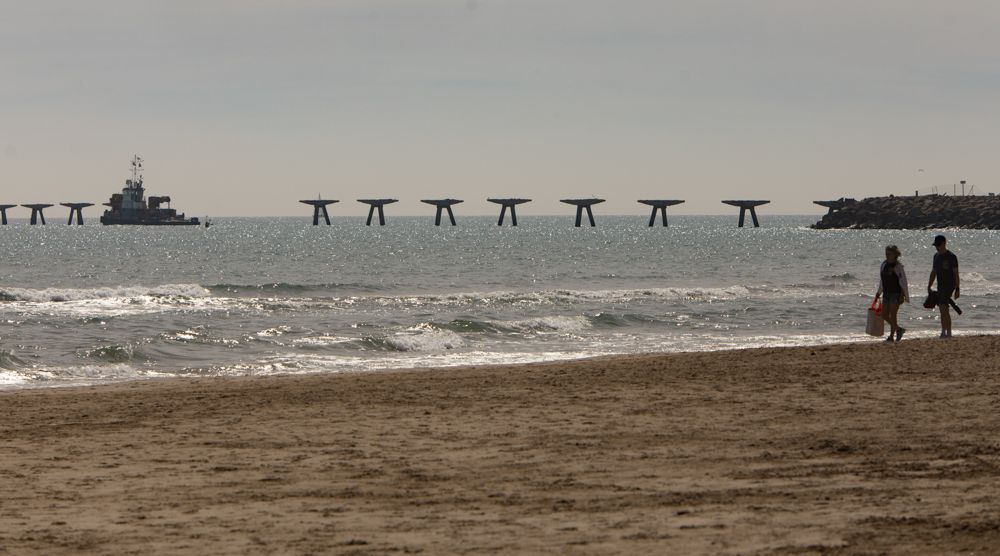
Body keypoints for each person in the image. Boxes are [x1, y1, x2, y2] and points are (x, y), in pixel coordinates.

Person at [875, 244, 909, 342]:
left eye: (889, 254)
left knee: (893, 315)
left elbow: (903, 282)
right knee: (884, 315)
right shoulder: (884, 265)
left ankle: (891, 337)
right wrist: (878, 293)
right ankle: (899, 329)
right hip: (886, 293)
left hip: (896, 293)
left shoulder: (898, 266)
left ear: (895, 254)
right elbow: (882, 281)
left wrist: (903, 295)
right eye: (886, 253)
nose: (887, 255)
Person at [928, 234, 960, 338]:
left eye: (938, 245)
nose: (937, 247)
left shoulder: (951, 257)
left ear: (944, 243)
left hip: (949, 286)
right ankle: (945, 331)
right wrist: (929, 286)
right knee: (943, 309)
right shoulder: (936, 256)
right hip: (940, 286)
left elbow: (956, 273)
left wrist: (957, 289)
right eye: (936, 245)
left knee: (943, 307)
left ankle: (947, 332)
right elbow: (934, 272)